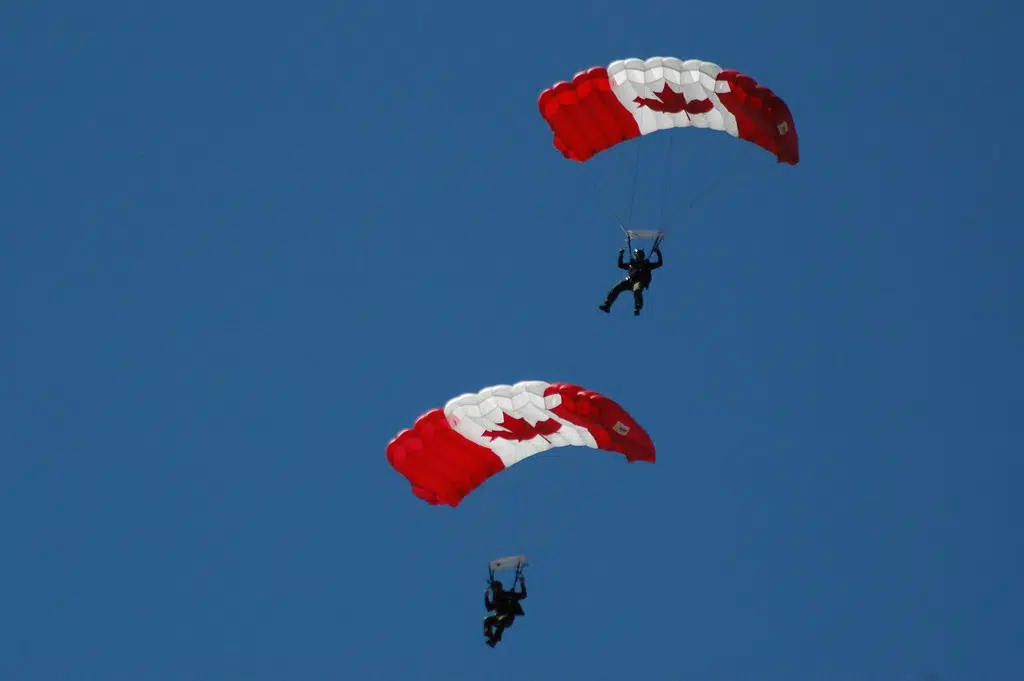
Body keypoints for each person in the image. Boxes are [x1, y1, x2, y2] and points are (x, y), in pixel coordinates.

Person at [599, 246, 663, 316]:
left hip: (640, 281)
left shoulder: (646, 265)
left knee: (637, 289)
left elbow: (659, 263)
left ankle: (638, 306)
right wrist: (621, 255)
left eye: (640, 255)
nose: (638, 256)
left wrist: (658, 252)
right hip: (630, 281)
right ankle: (607, 305)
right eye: (638, 255)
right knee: (616, 287)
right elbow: (620, 265)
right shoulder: (632, 264)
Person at [483, 574, 526, 647]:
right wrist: (486, 597)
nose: (494, 591)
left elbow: (523, 595)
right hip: (499, 617)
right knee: (487, 620)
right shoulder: (496, 599)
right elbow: (489, 608)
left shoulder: (505, 594)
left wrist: (522, 583)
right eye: (493, 590)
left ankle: (495, 640)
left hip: (508, 618)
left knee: (501, 620)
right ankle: (491, 637)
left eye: (495, 589)